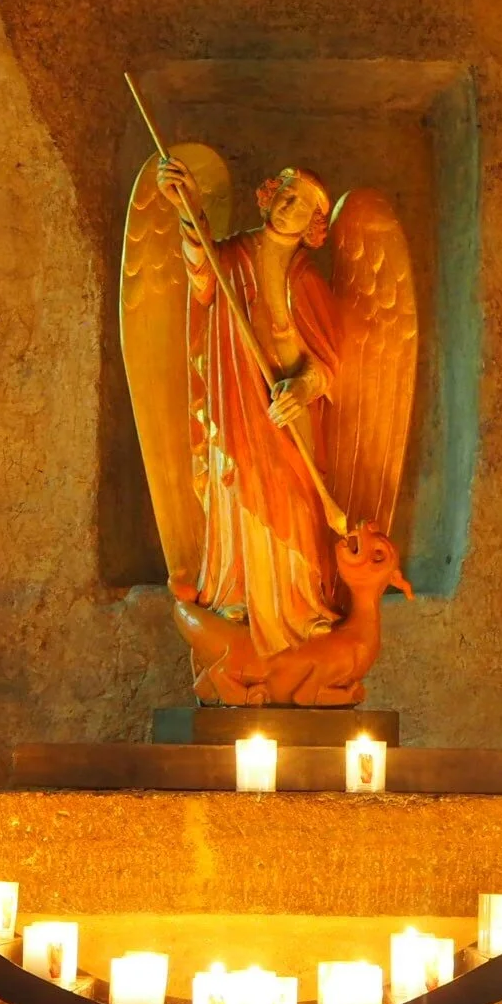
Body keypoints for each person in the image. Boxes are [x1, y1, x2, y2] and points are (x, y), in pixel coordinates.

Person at [155, 156, 343, 657]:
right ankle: (236, 596)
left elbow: (328, 362)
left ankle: (301, 607)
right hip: (236, 400)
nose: (289, 207)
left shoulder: (308, 280)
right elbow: (202, 278)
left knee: (297, 504)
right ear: (268, 195)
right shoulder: (234, 254)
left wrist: (302, 389)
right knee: (236, 488)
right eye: (285, 194)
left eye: (302, 205)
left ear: (314, 224)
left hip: (287, 415)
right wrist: (188, 210)